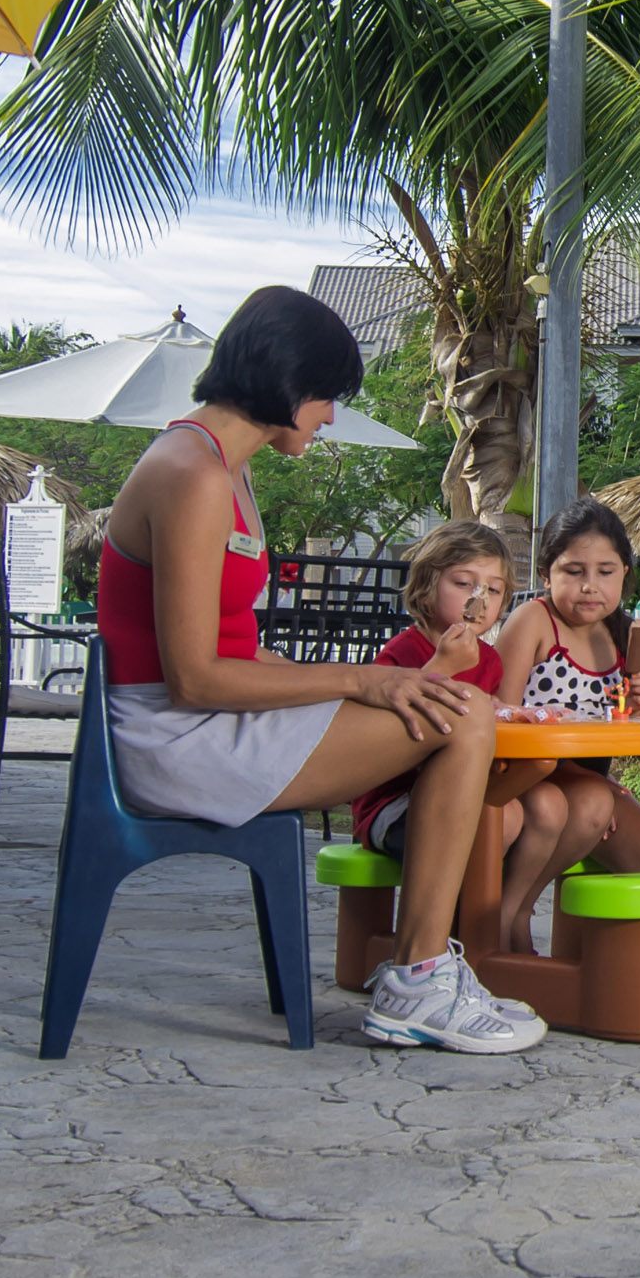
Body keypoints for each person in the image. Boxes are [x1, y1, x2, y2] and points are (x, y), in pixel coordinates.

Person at [95, 285, 540, 1056]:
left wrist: (375, 681)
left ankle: (421, 971)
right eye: (327, 396)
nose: (329, 414)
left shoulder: (219, 467)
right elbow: (196, 678)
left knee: (437, 701)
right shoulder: (193, 474)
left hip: (204, 722)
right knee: (462, 715)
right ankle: (417, 980)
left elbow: (231, 647)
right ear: (286, 381)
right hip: (172, 740)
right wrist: (358, 679)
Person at [354, 521, 573, 955]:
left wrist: (518, 715)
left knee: (544, 810)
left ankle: (491, 925)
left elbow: (487, 713)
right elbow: (380, 735)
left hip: (462, 794)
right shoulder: (404, 652)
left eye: (493, 590)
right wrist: (443, 667)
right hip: (392, 805)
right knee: (503, 817)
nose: (480, 599)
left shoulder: (489, 660)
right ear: (426, 586)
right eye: (463, 583)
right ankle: (452, 940)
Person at [492, 497, 640, 881]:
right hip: (527, 782)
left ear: (624, 574)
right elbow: (500, 713)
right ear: (546, 574)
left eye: (605, 571)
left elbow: (618, 729)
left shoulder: (619, 633)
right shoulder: (533, 621)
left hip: (594, 783)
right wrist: (583, 787)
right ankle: (513, 912)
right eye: (574, 571)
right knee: (591, 808)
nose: (589, 586)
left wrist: (636, 709)